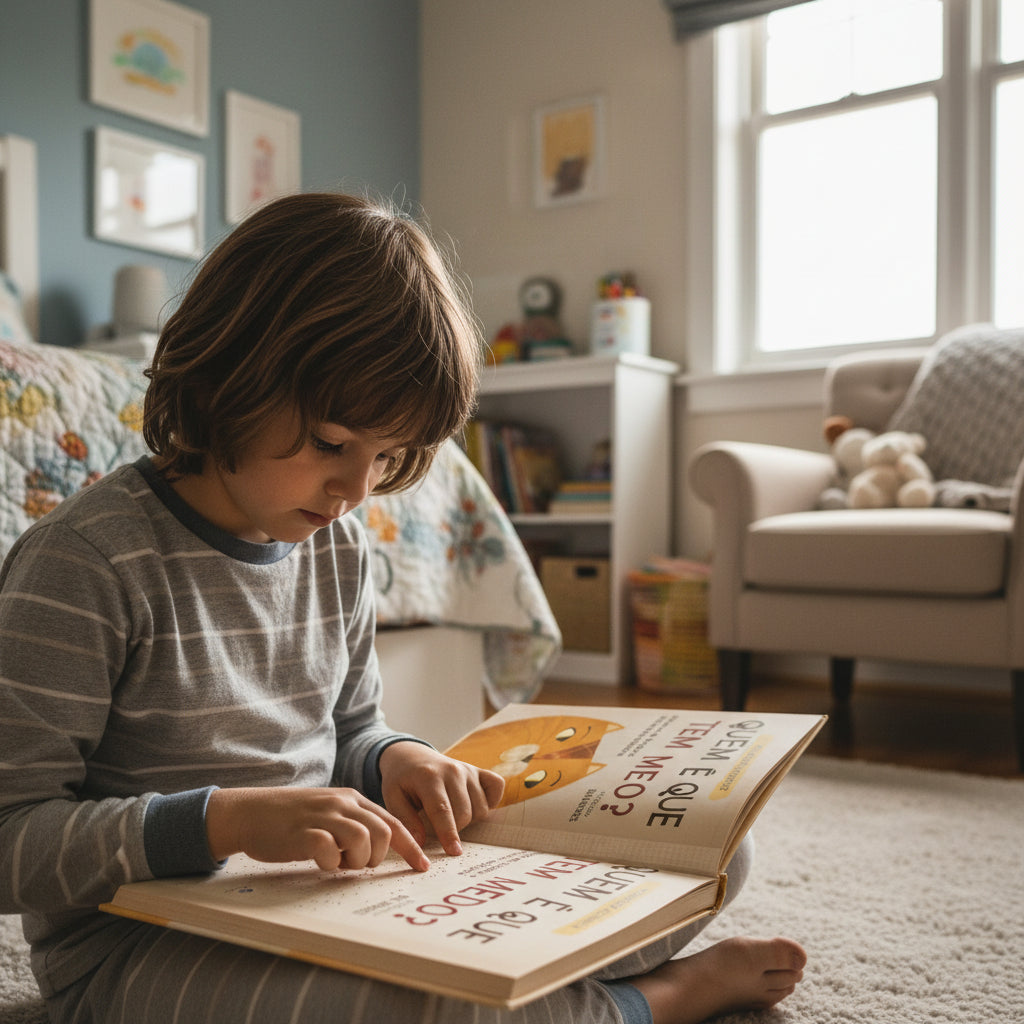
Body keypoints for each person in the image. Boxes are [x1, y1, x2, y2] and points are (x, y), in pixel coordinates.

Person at [0, 192, 805, 1024]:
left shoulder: (337, 544)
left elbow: (349, 731)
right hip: (135, 948)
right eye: (332, 443)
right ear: (228, 377)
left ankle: (568, 992)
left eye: (388, 457)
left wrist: (400, 761)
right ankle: (656, 1001)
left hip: (321, 898)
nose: (356, 490)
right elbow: (11, 837)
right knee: (464, 1013)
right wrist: (220, 823)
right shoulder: (86, 563)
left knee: (712, 849)